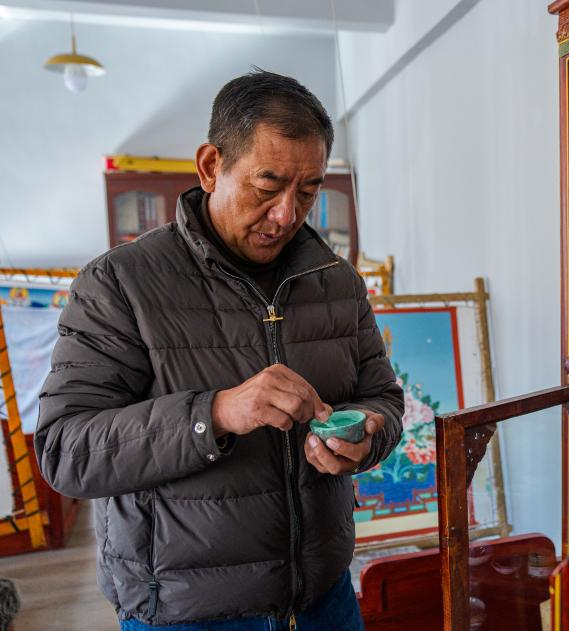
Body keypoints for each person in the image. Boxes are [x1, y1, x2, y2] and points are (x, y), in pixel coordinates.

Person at [34, 69, 404, 630]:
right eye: (267, 187)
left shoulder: (337, 282)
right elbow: (67, 451)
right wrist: (217, 413)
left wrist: (368, 436)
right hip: (187, 611)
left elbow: (384, 400)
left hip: (325, 597)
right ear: (211, 166)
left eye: (308, 191)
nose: (287, 214)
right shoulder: (119, 284)